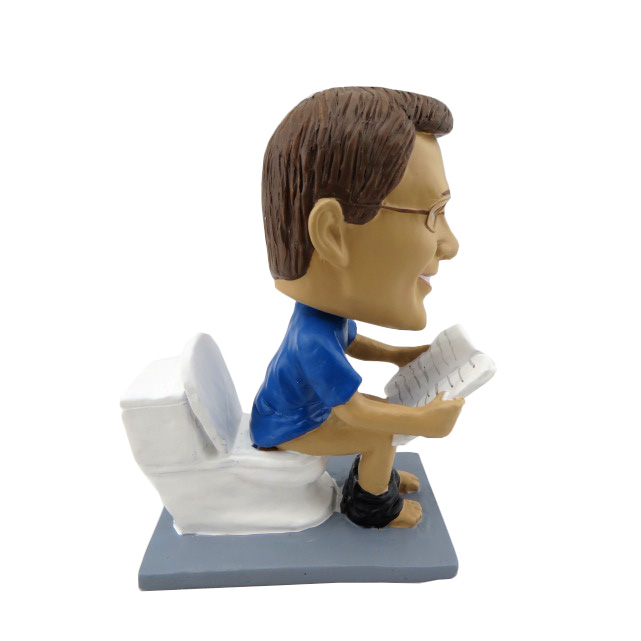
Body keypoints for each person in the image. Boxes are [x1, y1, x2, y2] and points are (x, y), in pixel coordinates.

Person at [251, 87, 464, 528]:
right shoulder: (312, 338)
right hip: (287, 426)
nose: (451, 244)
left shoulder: (321, 317)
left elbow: (353, 342)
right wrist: (422, 421)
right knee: (380, 432)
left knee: (381, 417)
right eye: (432, 214)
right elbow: (355, 412)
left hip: (300, 412)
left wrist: (399, 355)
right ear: (332, 234)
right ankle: (373, 507)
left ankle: (377, 476)